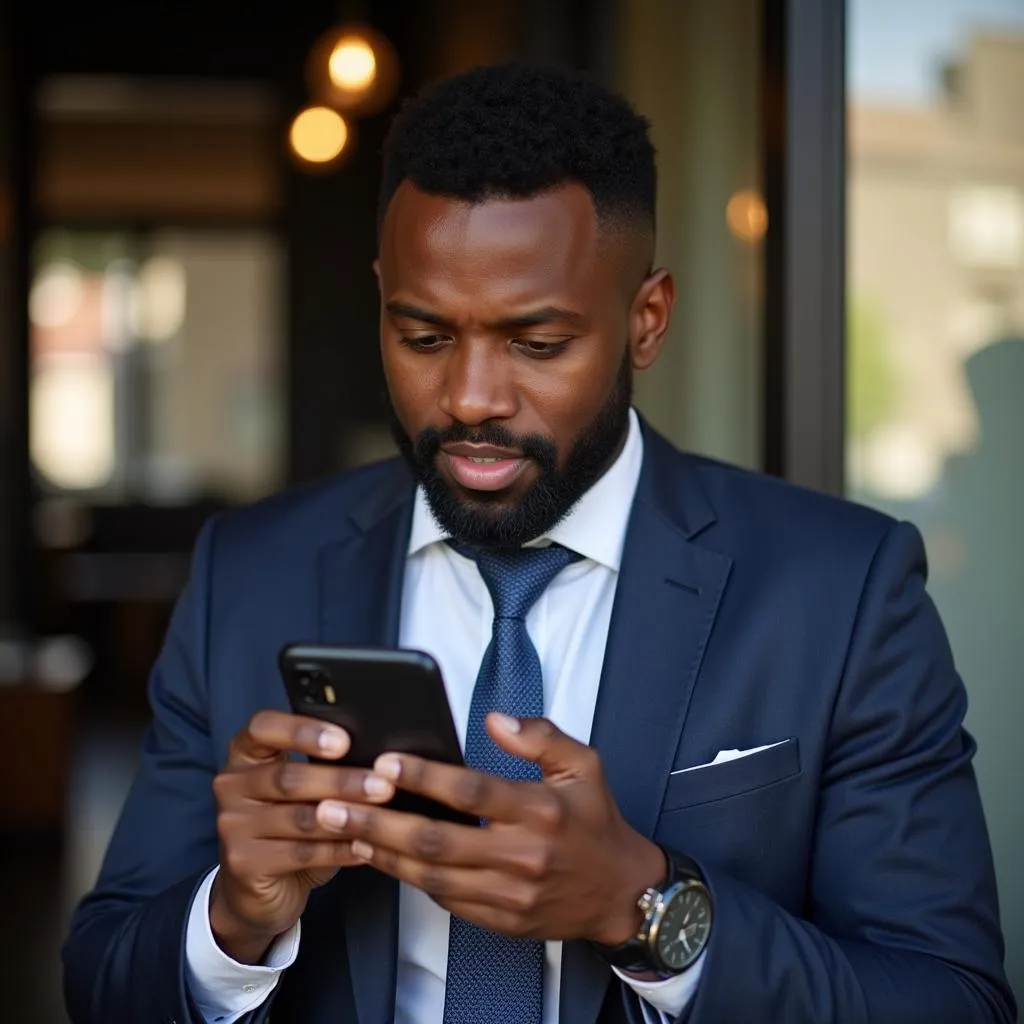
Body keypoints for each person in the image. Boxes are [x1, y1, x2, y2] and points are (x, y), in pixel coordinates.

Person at [62, 62, 1015, 1024]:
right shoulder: (248, 574)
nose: (472, 398)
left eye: (537, 343)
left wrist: (640, 905)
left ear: (646, 320)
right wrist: (232, 922)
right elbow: (104, 976)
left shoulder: (842, 593)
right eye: (425, 337)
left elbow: (951, 999)